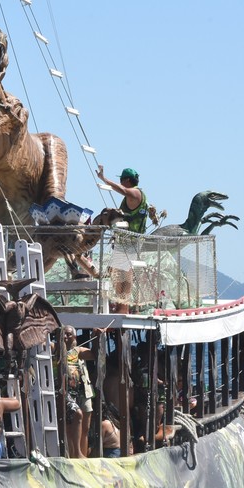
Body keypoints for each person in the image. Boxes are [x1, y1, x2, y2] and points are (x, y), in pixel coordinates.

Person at [96, 166, 147, 313]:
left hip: (130, 242)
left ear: (127, 180)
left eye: (121, 180)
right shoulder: (133, 197)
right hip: (126, 241)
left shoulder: (135, 193)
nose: (120, 182)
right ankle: (121, 304)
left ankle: (123, 307)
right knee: (116, 272)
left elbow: (123, 190)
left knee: (125, 273)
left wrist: (105, 179)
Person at [63, 325, 95, 458]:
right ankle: (75, 454)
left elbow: (94, 355)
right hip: (67, 391)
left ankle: (81, 455)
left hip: (83, 390)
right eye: (63, 334)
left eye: (68, 334)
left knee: (85, 427)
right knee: (74, 420)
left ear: (74, 336)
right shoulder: (57, 348)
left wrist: (97, 337)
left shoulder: (78, 350)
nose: (65, 337)